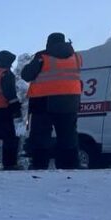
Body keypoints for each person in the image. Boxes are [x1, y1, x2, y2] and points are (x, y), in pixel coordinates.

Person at [21, 33, 82, 170]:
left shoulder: (42, 57)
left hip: (44, 101)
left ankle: (39, 165)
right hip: (70, 101)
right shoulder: (76, 57)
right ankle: (70, 165)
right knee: (68, 135)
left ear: (48, 43)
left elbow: (27, 75)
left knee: (41, 135)